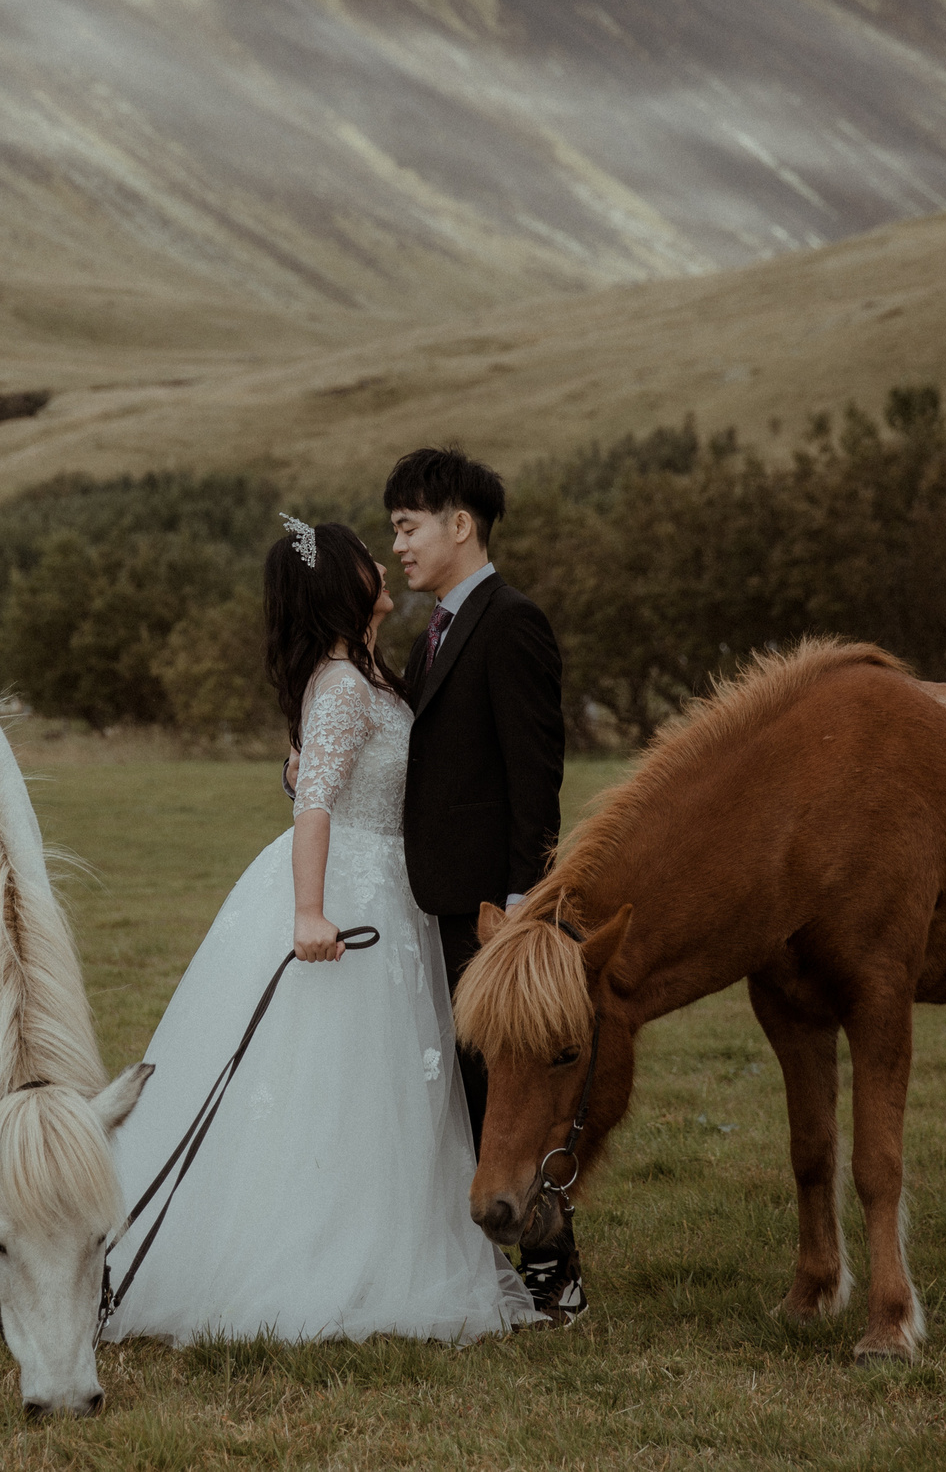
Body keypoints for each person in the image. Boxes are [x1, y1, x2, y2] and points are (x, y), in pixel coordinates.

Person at [101, 517, 538, 1346]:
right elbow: (314, 806)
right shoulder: (340, 685)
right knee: (340, 1075)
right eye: (366, 555)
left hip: (392, 893)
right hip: (349, 890)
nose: (383, 559)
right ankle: (314, 1258)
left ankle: (387, 1239)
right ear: (342, 584)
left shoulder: (369, 675)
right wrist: (308, 911)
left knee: (390, 1084)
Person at [385, 447, 583, 1327]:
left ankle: (554, 1270)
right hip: (431, 900)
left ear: (460, 524)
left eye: (408, 526)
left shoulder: (512, 622)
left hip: (490, 911)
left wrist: (521, 901)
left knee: (496, 1092)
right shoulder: (431, 632)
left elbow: (536, 776)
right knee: (455, 1087)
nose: (399, 545)